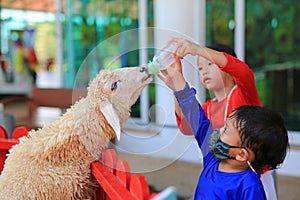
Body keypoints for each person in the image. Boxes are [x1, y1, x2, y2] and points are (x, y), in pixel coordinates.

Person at [157, 56, 289, 199]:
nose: (218, 130)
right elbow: (197, 119)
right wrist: (177, 81)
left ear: (241, 154)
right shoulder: (212, 158)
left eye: (225, 130)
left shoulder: (249, 185)